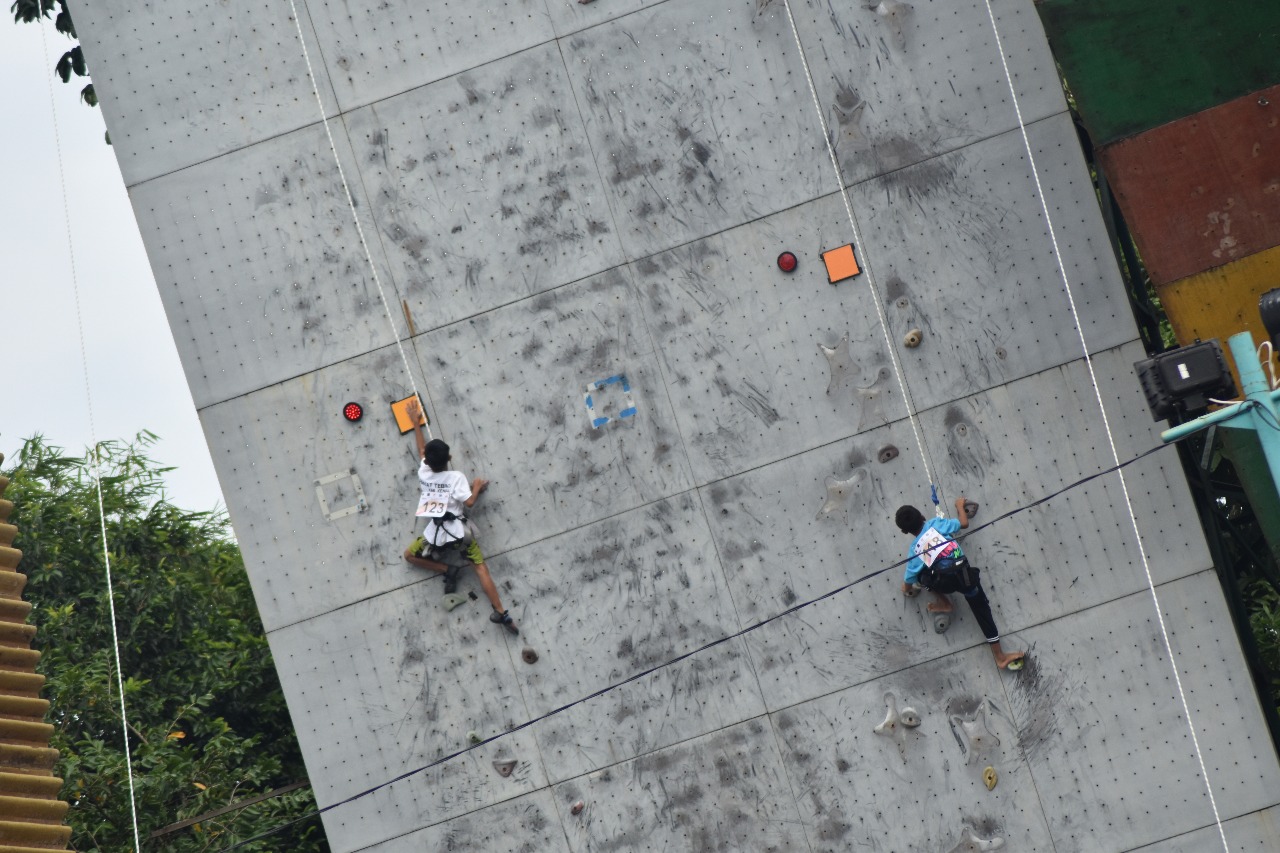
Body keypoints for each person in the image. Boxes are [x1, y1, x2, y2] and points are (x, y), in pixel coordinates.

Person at [402, 398, 517, 634]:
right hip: (459, 534)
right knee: (480, 567)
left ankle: (447, 570)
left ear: (429, 462)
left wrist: (416, 423)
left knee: (409, 556)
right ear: (449, 459)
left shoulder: (424, 473)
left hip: (435, 534)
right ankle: (501, 612)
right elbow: (470, 502)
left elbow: (422, 450)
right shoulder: (456, 478)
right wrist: (476, 485)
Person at [895, 497, 1023, 669]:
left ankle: (944, 602)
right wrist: (959, 506)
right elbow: (963, 523)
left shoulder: (915, 550)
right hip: (965, 577)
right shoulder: (936, 524)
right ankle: (1000, 657)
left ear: (904, 532)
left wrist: (907, 589)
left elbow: (908, 581)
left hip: (945, 583)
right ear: (923, 516)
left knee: (920, 577)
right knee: (982, 611)